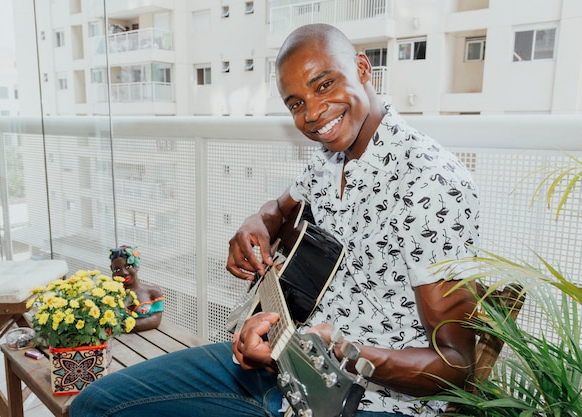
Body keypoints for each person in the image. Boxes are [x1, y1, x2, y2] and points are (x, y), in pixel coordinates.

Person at [71, 23, 480, 417]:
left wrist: (336, 349)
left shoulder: (431, 184)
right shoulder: (328, 158)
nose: (314, 114)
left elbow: (457, 364)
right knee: (94, 403)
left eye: (324, 85)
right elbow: (281, 209)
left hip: (368, 401)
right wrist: (257, 223)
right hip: (281, 371)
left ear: (362, 69)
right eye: (296, 104)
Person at [109, 245, 164, 332]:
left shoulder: (153, 292)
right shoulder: (110, 296)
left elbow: (155, 320)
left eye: (128, 267)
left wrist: (123, 326)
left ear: (136, 266)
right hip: (120, 342)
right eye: (117, 270)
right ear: (111, 270)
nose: (123, 272)